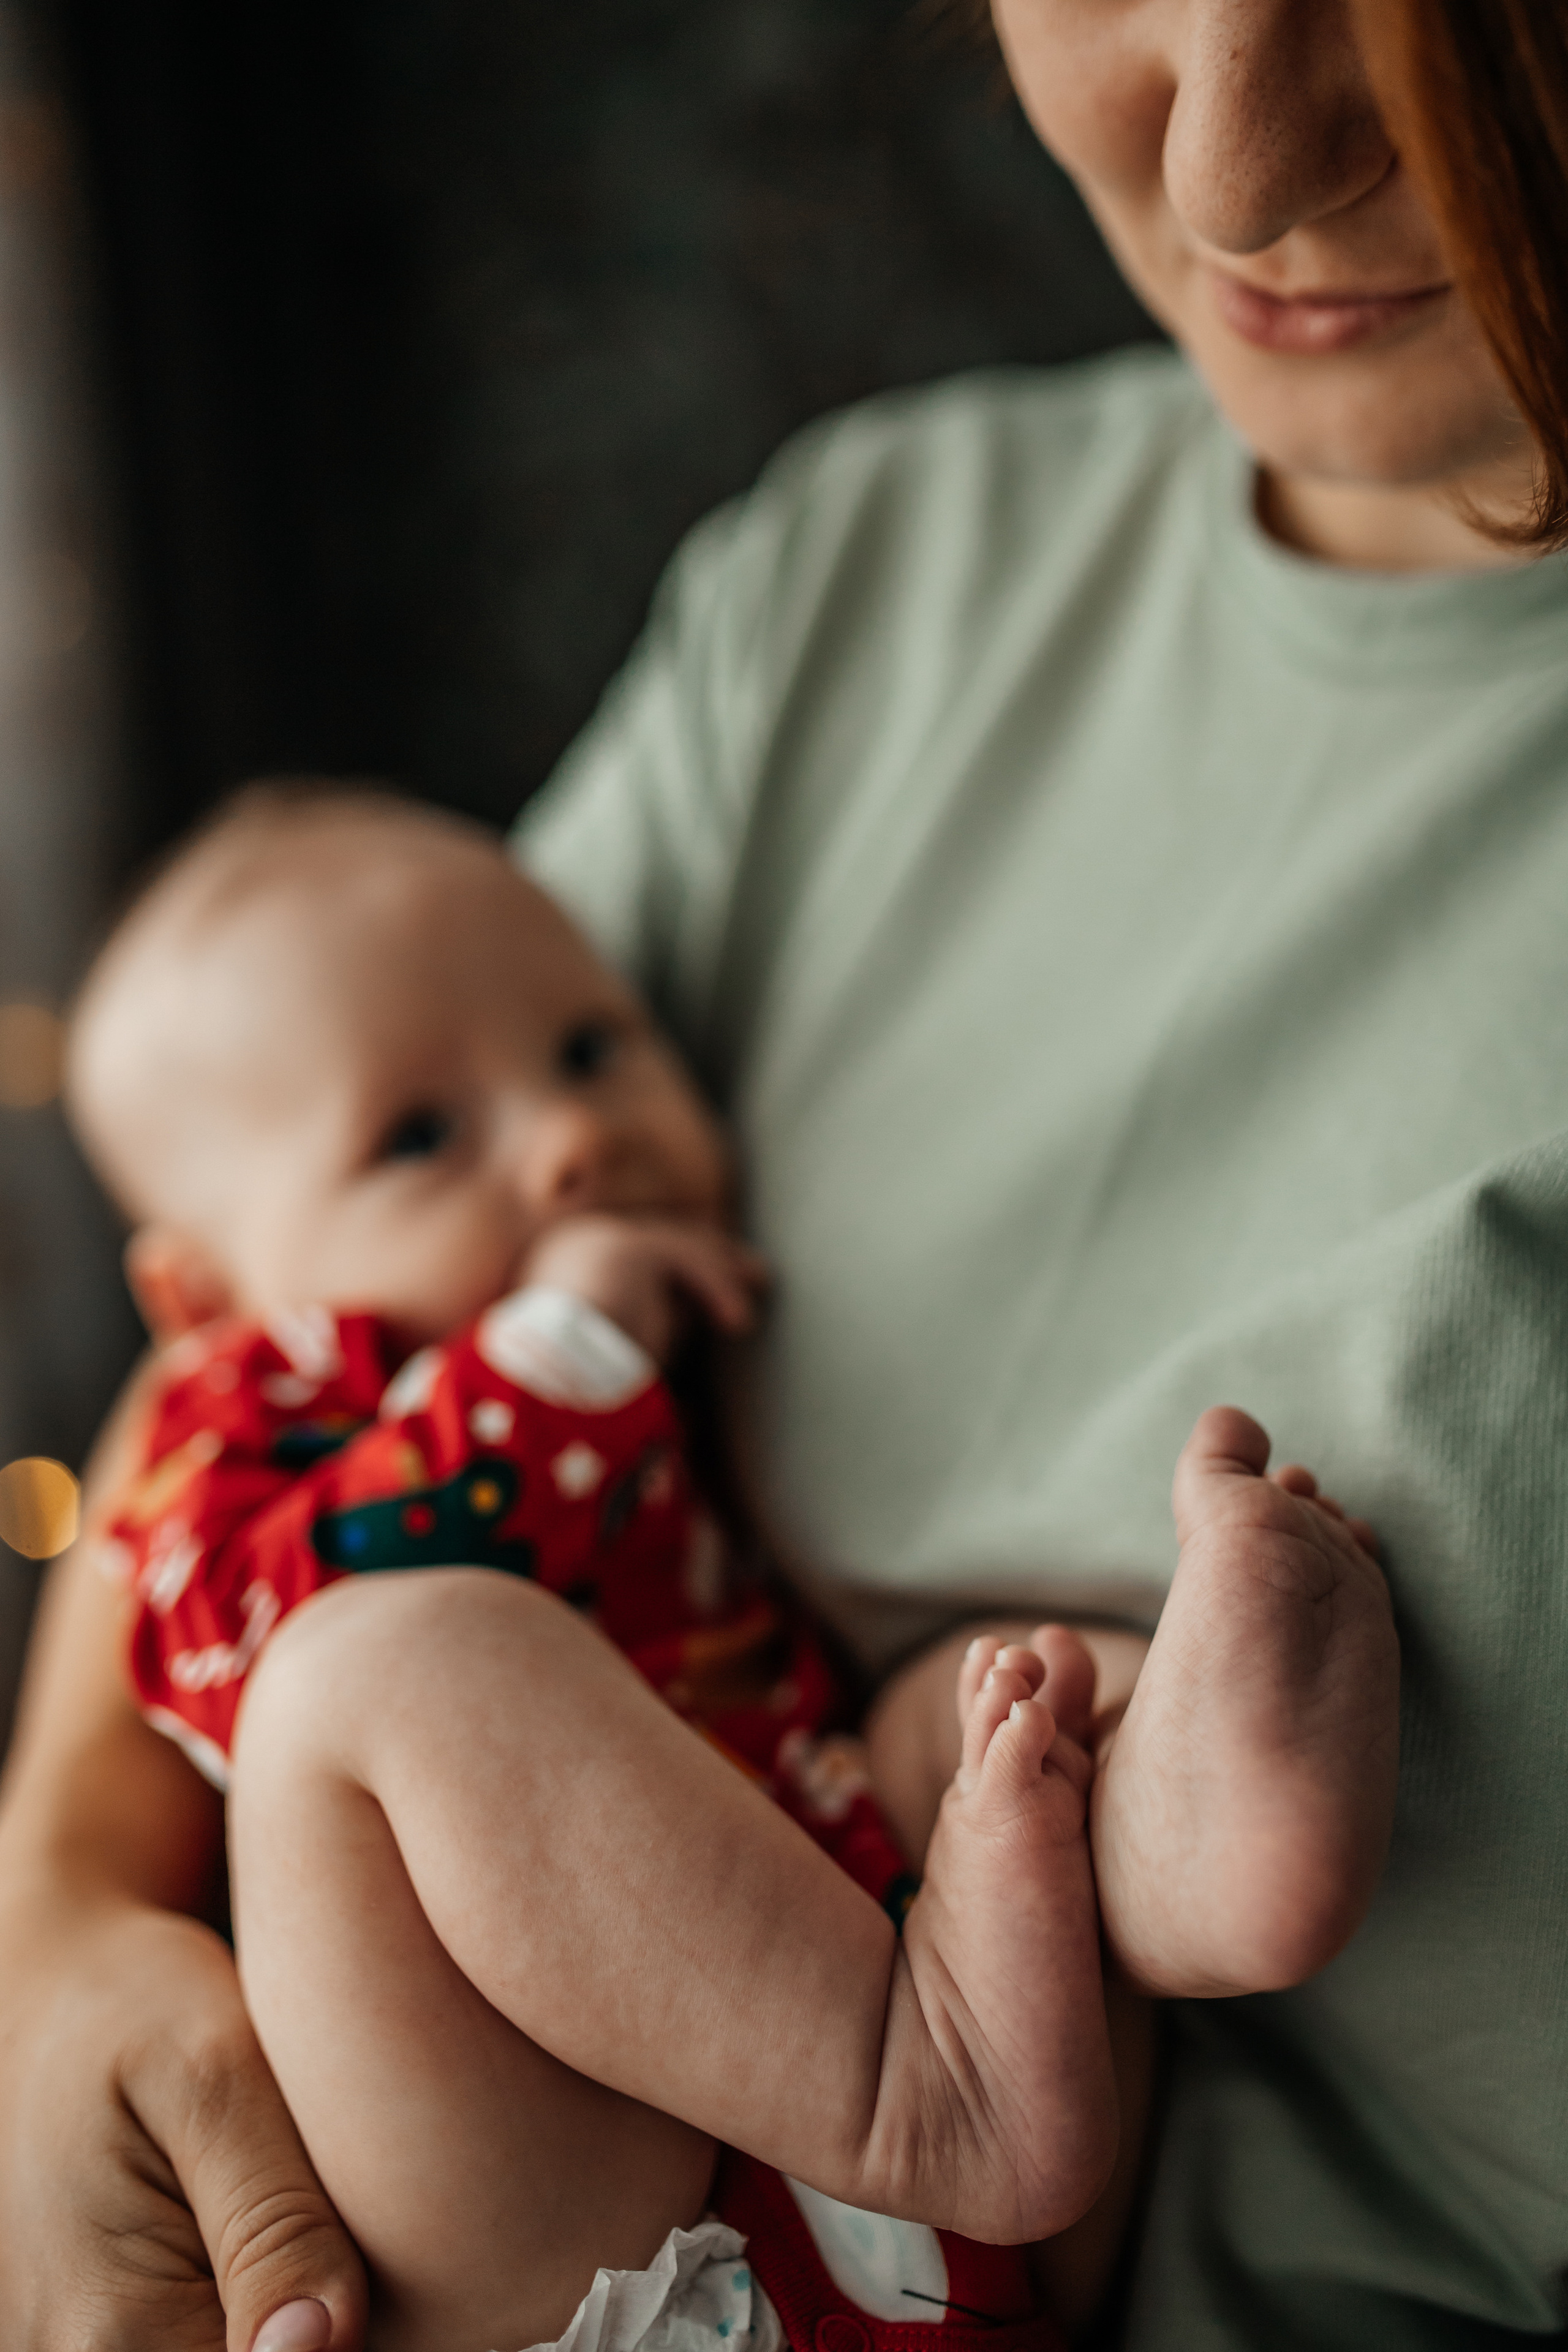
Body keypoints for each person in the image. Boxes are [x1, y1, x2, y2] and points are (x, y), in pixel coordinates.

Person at [1, 2, 1566, 2347]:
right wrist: (53, 1930)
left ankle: (1119, 1912)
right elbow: (241, 1371)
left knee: (1006, 1713)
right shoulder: (871, 584)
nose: (1238, 166)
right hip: (634, 2208)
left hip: (938, 2133)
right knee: (378, 1679)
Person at [62, 786, 1391, 2351]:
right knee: (355, 1675)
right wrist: (552, 1356)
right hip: (566, 2219)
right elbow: (228, 1643)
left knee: (1000, 1701)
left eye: (589, 1050)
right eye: (419, 1138)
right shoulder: (254, 1409)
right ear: (205, 1289)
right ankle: (922, 2082)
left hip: (925, 2184)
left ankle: (1213, 1880)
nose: (569, 1142)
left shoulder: (693, 1369)